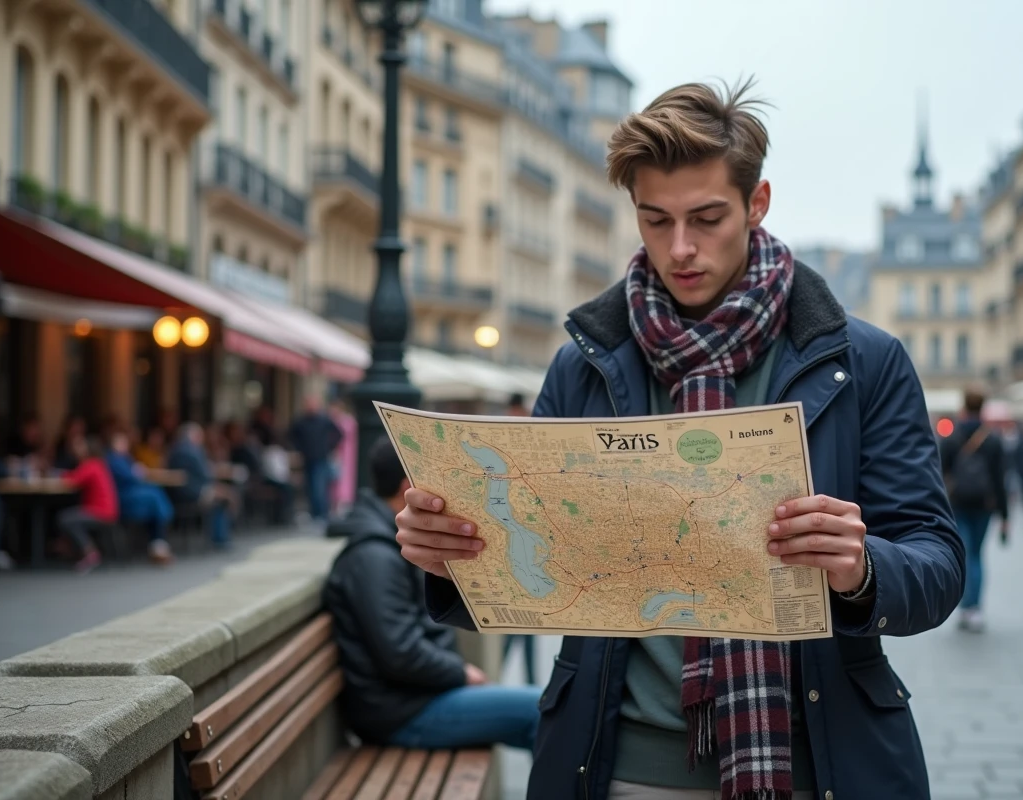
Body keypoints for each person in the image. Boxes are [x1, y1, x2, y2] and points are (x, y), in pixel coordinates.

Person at [395, 79, 964, 800]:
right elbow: (526, 566)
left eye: (707, 218)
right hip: (616, 764)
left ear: (757, 204)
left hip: (816, 760)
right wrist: (448, 557)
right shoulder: (585, 364)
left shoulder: (864, 360)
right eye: (655, 221)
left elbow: (939, 563)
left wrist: (862, 567)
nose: (681, 247)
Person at [322, 438, 541, 750]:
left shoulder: (381, 543)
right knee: (541, 709)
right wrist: (461, 673)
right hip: (402, 714)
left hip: (414, 700)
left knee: (548, 721)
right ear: (407, 487)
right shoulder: (373, 557)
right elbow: (399, 654)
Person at [938, 388, 1010, 633]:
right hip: (984, 505)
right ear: (983, 409)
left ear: (963, 407)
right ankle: (975, 607)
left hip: (957, 503)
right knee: (978, 555)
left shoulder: (952, 437)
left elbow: (939, 475)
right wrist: (1005, 515)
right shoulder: (992, 439)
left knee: (964, 554)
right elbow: (1000, 480)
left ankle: (965, 607)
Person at [501, 392, 537, 683]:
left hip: (516, 534)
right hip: (523, 535)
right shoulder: (525, 431)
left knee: (519, 627)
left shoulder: (506, 434)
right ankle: (528, 678)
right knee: (520, 627)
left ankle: (521, 675)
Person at [106, 430, 176, 565]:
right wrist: (137, 472)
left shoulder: (124, 458)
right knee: (154, 496)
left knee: (154, 499)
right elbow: (132, 477)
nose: (124, 445)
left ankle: (158, 543)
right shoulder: (113, 459)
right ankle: (158, 543)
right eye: (121, 442)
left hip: (133, 497)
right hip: (124, 499)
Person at [167, 423, 234, 548]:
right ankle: (219, 538)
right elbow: (205, 474)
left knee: (222, 494)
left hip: (178, 493)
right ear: (194, 436)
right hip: (192, 492)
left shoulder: (175, 449)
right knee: (225, 497)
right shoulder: (192, 450)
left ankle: (219, 535)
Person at [59, 435, 118, 573]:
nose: (76, 450)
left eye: (80, 447)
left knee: (66, 518)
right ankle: (70, 549)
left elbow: (72, 480)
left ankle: (89, 551)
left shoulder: (91, 465)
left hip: (100, 512)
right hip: (106, 511)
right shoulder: (99, 464)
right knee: (70, 514)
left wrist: (55, 474)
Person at [287, 395, 343, 522]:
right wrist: (299, 448)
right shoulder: (301, 421)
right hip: (307, 459)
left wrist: (329, 447)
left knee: (319, 487)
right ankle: (315, 513)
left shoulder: (324, 420)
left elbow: (339, 434)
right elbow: (291, 435)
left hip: (321, 458)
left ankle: (321, 514)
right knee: (310, 488)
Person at [328, 398, 358, 515]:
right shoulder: (334, 422)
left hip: (347, 454)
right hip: (338, 454)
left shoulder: (347, 422)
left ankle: (343, 502)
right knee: (336, 480)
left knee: (345, 478)